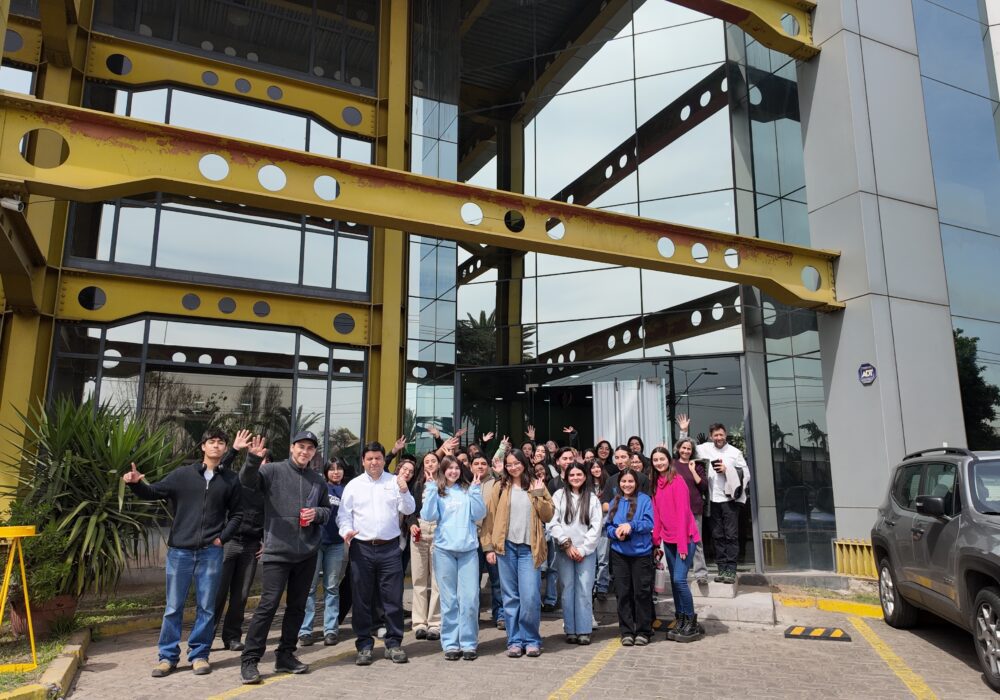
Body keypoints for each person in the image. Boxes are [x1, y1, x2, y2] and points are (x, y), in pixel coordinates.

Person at [123, 428, 243, 678]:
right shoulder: (183, 475)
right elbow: (154, 492)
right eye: (211, 442)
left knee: (207, 607)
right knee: (173, 607)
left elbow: (239, 513)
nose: (216, 446)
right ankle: (167, 657)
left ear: (224, 449)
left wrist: (223, 537)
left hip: (211, 551)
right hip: (180, 552)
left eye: (221, 443)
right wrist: (136, 484)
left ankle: (199, 655)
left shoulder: (230, 480)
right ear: (203, 447)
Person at [238, 431, 330, 684]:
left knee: (297, 607)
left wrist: (317, 514)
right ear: (292, 448)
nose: (305, 452)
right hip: (277, 552)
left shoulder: (317, 480)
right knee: (268, 607)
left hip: (307, 553)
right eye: (301, 446)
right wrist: (253, 460)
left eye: (310, 448)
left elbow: (327, 510)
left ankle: (286, 655)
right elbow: (246, 482)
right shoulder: (272, 471)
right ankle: (250, 660)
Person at [337, 442, 415, 666]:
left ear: (383, 460)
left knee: (393, 597)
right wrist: (346, 531)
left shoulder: (394, 481)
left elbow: (408, 509)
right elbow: (343, 516)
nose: (374, 462)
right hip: (361, 548)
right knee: (361, 598)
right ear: (363, 461)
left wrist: (403, 489)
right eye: (370, 458)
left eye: (378, 458)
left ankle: (393, 643)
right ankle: (364, 644)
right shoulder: (353, 485)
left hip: (390, 548)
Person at [480, 448, 554, 658]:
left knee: (530, 596)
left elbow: (548, 515)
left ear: (524, 463)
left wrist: (539, 495)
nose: (513, 467)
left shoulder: (536, 484)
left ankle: (531, 639)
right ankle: (514, 641)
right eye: (509, 464)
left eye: (516, 463)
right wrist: (488, 548)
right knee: (510, 597)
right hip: (506, 548)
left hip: (530, 548)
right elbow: (489, 518)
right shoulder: (500, 487)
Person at [421, 456, 487, 661]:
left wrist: (476, 491)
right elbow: (428, 515)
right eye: (448, 468)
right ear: (442, 470)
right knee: (449, 600)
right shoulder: (437, 491)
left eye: (456, 468)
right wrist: (431, 489)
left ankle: (468, 643)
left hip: (468, 551)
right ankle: (450, 643)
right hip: (444, 551)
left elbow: (479, 514)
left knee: (469, 598)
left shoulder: (468, 490)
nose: (453, 471)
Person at [213, 429, 265, 652]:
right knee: (217, 592)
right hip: (228, 542)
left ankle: (232, 636)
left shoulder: (268, 489)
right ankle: (205, 636)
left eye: (263, 461)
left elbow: (275, 516)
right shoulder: (235, 480)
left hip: (252, 545)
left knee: (241, 595)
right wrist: (233, 449)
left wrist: (266, 540)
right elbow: (218, 469)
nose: (259, 465)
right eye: (255, 460)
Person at [683, 418, 750, 585]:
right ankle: (721, 569)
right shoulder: (704, 449)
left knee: (731, 536)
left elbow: (746, 474)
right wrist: (684, 431)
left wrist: (728, 471)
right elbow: (686, 449)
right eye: (715, 435)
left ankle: (731, 569)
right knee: (717, 535)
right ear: (711, 436)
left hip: (730, 500)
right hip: (712, 500)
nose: (718, 438)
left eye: (721, 434)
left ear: (725, 434)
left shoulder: (735, 452)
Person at [650, 447, 703, 643]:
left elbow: (683, 514)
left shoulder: (678, 481)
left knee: (680, 580)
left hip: (685, 539)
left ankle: (691, 620)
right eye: (655, 460)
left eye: (661, 459)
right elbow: (657, 515)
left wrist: (682, 545)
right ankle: (680, 619)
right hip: (668, 540)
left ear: (668, 460)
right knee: (674, 581)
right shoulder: (657, 483)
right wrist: (656, 543)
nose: (659, 463)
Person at [547, 464, 602, 645]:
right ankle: (570, 629)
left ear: (585, 476)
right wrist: (567, 544)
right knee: (567, 590)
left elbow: (596, 526)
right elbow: (552, 523)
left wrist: (583, 549)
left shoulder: (592, 498)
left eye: (579, 474)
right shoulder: (558, 496)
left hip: (586, 552)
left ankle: (584, 629)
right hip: (565, 551)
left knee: (584, 590)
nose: (576, 477)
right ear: (567, 477)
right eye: (572, 474)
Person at [298, 457, 349, 647]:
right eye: (332, 469)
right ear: (326, 471)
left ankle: (330, 630)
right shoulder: (318, 485)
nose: (336, 472)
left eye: (339, 469)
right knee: (309, 587)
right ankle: (305, 630)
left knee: (332, 587)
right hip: (315, 543)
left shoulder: (347, 490)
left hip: (336, 544)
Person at [606, 470, 654, 647]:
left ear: (637, 482)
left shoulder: (644, 500)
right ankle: (626, 631)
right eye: (624, 481)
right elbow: (608, 526)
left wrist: (631, 526)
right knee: (623, 593)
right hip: (619, 553)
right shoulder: (615, 501)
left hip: (641, 553)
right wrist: (615, 532)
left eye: (630, 481)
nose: (627, 484)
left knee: (641, 593)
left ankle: (643, 630)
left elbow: (649, 523)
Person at [406, 451, 442, 641]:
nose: (430, 464)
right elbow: (408, 508)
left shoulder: (444, 484)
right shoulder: (417, 484)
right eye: (427, 461)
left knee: (437, 580)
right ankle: (419, 623)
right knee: (419, 579)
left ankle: (435, 623)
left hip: (438, 531)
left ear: (439, 463)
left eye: (433, 461)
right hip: (419, 530)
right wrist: (411, 523)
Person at [471, 453, 504, 630]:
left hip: (492, 538)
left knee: (497, 581)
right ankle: (472, 616)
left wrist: (501, 474)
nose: (480, 466)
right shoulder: (465, 485)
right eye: (476, 463)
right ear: (470, 467)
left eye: (484, 463)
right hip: (472, 541)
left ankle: (500, 615)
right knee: (473, 581)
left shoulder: (497, 483)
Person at [673, 436, 709, 585]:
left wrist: (693, 470)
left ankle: (701, 574)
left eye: (689, 448)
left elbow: (704, 486)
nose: (686, 451)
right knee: (678, 540)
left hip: (694, 507)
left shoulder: (697, 465)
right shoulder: (672, 465)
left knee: (696, 541)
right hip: (676, 509)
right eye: (684, 448)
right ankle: (681, 572)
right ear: (678, 449)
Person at [588, 459, 612, 602]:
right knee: (593, 559)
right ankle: (592, 586)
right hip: (590, 526)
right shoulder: (586, 485)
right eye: (593, 467)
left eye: (598, 467)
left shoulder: (608, 484)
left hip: (604, 525)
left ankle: (602, 586)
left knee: (603, 558)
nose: (596, 469)